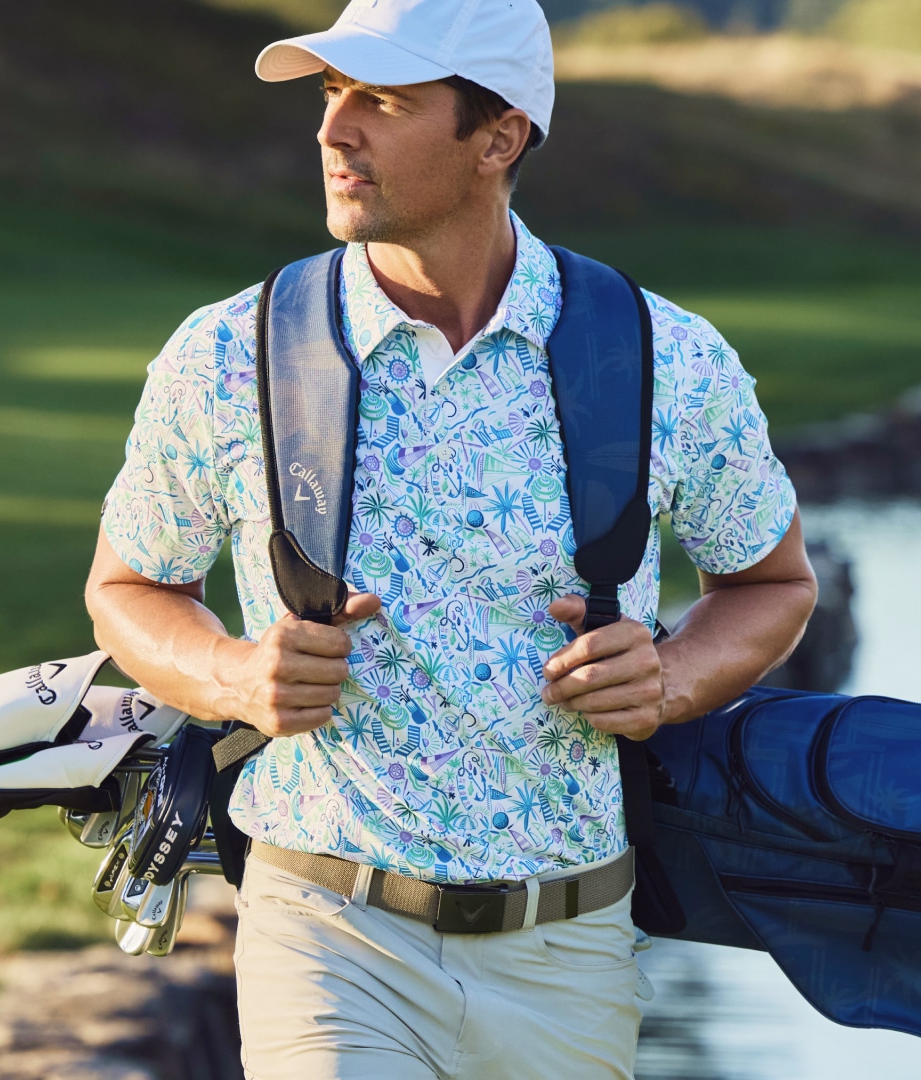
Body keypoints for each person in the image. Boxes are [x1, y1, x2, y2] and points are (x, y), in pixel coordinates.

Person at [85, 0, 817, 1075]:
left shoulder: (666, 355)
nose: (334, 132)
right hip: (326, 930)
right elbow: (129, 586)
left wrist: (669, 678)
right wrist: (234, 676)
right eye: (332, 96)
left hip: (570, 950)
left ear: (498, 137)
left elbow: (771, 583)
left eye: (379, 101)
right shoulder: (225, 354)